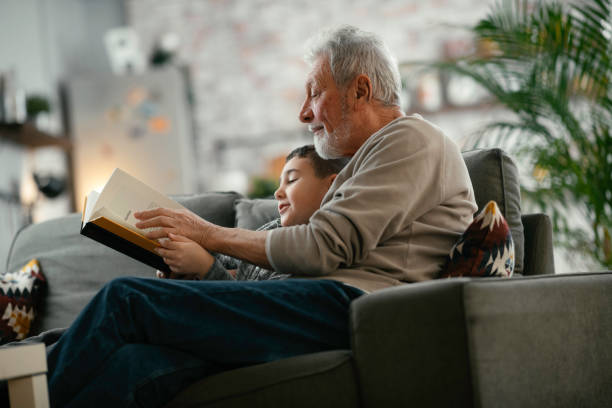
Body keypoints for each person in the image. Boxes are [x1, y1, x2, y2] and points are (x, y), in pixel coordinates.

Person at [45, 25, 477, 407]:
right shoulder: (364, 162)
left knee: (125, 300)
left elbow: (321, 247)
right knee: (134, 366)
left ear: (361, 91)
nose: (303, 112)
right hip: (322, 303)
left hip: (354, 307)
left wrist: (207, 234)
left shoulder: (411, 139)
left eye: (314, 92)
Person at [156, 144, 346, 282]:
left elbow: (256, 307)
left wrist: (205, 267)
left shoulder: (325, 249)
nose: (277, 193)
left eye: (292, 180)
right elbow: (230, 262)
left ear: (332, 186)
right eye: (280, 183)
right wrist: (186, 263)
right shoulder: (275, 229)